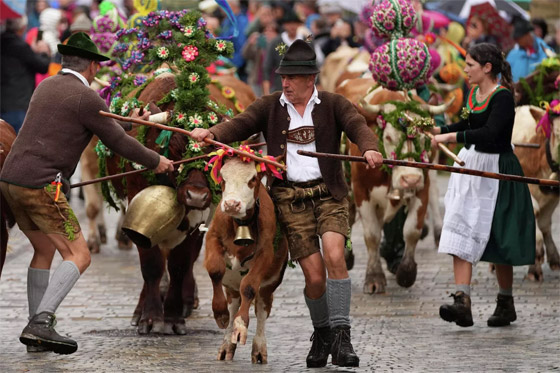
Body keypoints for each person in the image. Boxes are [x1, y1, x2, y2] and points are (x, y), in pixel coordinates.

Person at [191, 40, 383, 368]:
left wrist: (368, 148)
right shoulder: (269, 106)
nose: (286, 82)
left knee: (336, 255)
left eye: (293, 77)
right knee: (314, 276)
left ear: (311, 79)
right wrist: (212, 132)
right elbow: (240, 124)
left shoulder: (333, 104)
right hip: (290, 199)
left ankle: (342, 337)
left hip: (329, 194)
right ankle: (321, 333)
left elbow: (358, 127)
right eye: (283, 76)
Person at [0, 32, 174, 354]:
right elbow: (117, 142)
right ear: (93, 67)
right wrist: (157, 160)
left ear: (66, 61)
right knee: (79, 255)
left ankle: (36, 335)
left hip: (11, 182)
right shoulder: (86, 96)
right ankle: (41, 322)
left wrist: (131, 123)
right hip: (42, 188)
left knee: (43, 251)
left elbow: (105, 126)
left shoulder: (47, 85)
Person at [431, 43, 535, 328]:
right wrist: (437, 130)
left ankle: (505, 303)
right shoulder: (474, 94)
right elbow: (466, 122)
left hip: (497, 168)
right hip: (470, 166)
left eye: (470, 65)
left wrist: (449, 139)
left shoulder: (502, 97)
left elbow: (489, 134)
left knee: (498, 235)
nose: (465, 70)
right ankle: (462, 301)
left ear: (487, 68)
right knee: (459, 225)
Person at [0, 16, 51, 133]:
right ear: (22, 28)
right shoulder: (20, 46)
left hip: (5, 102)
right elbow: (42, 67)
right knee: (14, 144)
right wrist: (43, 52)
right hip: (16, 104)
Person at [506, 18, 553, 82]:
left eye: (518, 38)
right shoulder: (513, 54)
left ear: (527, 36)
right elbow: (504, 74)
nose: (517, 41)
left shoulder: (545, 52)